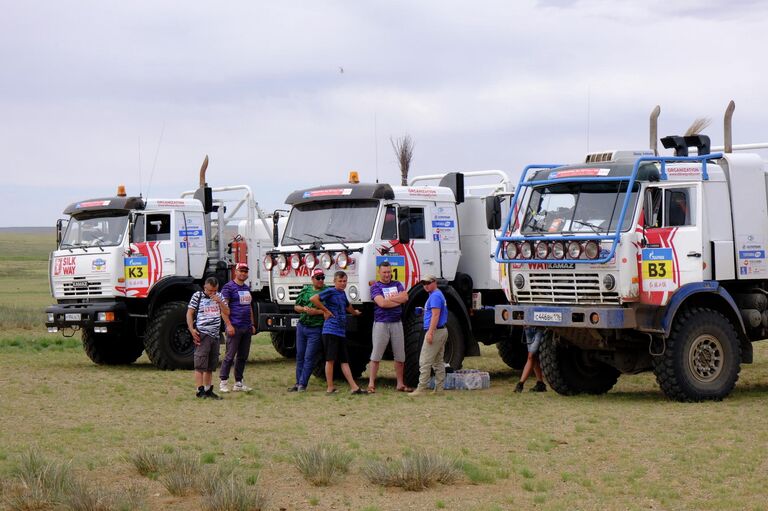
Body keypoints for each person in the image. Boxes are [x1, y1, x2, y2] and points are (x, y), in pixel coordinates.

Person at [310, 270, 367, 395]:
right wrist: (326, 310)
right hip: (330, 330)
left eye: (344, 281)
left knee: (344, 360)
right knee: (330, 360)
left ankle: (354, 387)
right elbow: (314, 299)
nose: (342, 283)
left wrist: (355, 313)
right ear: (334, 281)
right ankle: (330, 387)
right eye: (340, 281)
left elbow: (348, 306)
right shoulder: (330, 291)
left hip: (340, 332)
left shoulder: (342, 294)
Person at [367, 261, 411, 393]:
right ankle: (371, 383)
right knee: (376, 355)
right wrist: (397, 300)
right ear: (379, 272)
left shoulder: (397, 284)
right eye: (384, 272)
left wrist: (391, 300)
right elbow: (382, 304)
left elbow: (406, 297)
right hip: (381, 323)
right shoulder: (375, 287)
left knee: (400, 356)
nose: (387, 275)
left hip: (397, 323)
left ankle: (400, 384)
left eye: (388, 272)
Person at [187, 277, 230, 399]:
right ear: (205, 287)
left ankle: (208, 389)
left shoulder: (219, 296)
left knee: (211, 365)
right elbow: (189, 313)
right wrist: (191, 329)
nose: (212, 293)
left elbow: (227, 312)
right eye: (210, 290)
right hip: (203, 333)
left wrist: (220, 302)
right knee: (200, 364)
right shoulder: (197, 296)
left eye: (214, 290)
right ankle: (199, 390)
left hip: (215, 335)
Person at [289, 268, 328, 392]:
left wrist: (316, 312)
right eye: (318, 278)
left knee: (309, 356)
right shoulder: (306, 290)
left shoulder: (327, 292)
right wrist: (304, 309)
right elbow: (296, 306)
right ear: (312, 279)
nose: (321, 280)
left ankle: (303, 384)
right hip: (302, 326)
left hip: (316, 328)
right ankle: (297, 382)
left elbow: (329, 311)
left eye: (322, 278)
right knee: (300, 355)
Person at [218, 263, 256, 393]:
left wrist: (252, 324)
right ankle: (223, 382)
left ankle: (238, 383)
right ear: (236, 271)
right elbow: (223, 308)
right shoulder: (228, 288)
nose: (243, 273)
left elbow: (249, 307)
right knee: (229, 355)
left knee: (242, 356)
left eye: (246, 271)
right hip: (234, 326)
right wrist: (228, 325)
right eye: (241, 271)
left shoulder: (246, 288)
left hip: (246, 327)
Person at [409, 274, 448, 396]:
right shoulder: (436, 294)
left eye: (428, 283)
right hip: (441, 330)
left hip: (436, 331)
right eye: (423, 283)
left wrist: (430, 332)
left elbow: (436, 315)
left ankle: (421, 389)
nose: (425, 286)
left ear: (434, 282)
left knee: (425, 360)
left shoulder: (435, 296)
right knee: (438, 361)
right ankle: (439, 389)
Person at [514, 327, 547, 393]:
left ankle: (521, 383)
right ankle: (540, 383)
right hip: (528, 329)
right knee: (533, 357)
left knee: (531, 356)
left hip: (539, 328)